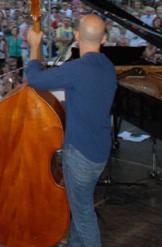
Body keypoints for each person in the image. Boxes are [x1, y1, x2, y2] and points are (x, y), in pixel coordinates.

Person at [26, 15, 117, 247]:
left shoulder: (76, 69)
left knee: (83, 213)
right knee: (80, 205)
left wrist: (35, 46)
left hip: (80, 153)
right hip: (100, 150)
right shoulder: (108, 67)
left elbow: (34, 78)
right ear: (103, 39)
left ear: (76, 36)